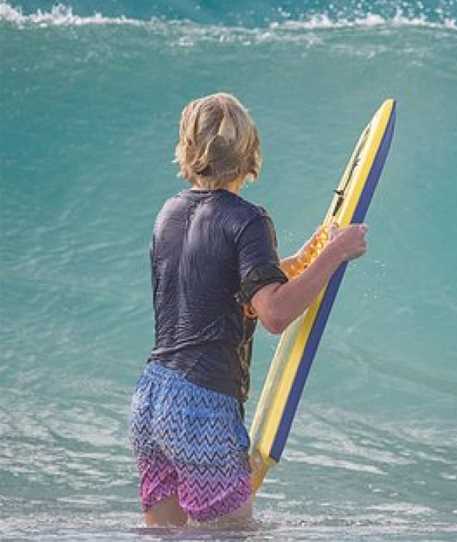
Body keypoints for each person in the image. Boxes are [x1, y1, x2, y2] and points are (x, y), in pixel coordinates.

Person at [128, 92, 367, 527]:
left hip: (150, 401)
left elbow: (219, 290)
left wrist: (310, 252)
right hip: (200, 405)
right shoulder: (247, 219)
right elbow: (273, 313)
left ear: (189, 148)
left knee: (166, 537)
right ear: (248, 150)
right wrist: (336, 256)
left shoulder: (170, 213)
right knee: (230, 538)